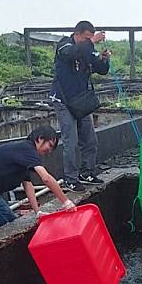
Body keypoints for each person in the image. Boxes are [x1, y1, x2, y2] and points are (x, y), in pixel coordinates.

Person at [0, 126, 76, 241]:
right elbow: (46, 178)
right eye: (49, 145)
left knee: (11, 223)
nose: (49, 151)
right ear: (39, 139)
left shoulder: (25, 155)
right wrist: (66, 201)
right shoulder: (27, 150)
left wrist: (37, 211)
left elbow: (27, 184)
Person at [51, 20, 111, 193]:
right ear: (77, 34)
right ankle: (71, 178)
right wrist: (91, 43)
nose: (88, 41)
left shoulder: (86, 48)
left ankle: (88, 172)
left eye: (90, 39)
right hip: (63, 101)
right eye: (86, 38)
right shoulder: (65, 46)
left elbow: (101, 69)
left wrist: (103, 60)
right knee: (71, 140)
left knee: (90, 139)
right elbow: (72, 54)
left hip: (81, 102)